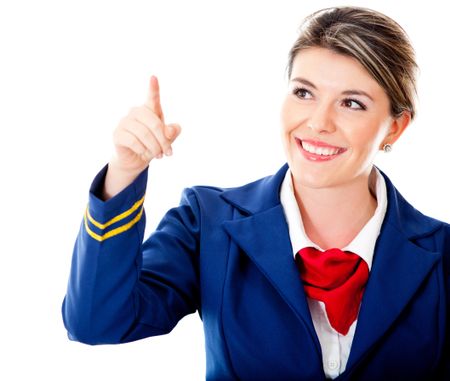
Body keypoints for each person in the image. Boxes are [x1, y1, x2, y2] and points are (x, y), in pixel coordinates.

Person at [62, 6, 450, 380]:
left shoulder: (442, 254)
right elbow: (97, 322)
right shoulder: (208, 222)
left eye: (351, 103)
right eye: (303, 93)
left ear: (395, 127)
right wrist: (125, 171)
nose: (317, 122)